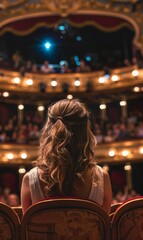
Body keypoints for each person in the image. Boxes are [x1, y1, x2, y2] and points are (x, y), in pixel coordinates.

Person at [21, 99, 112, 214]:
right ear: (85, 132)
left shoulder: (30, 180)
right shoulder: (102, 178)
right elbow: (103, 230)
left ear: (49, 130)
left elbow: (27, 230)